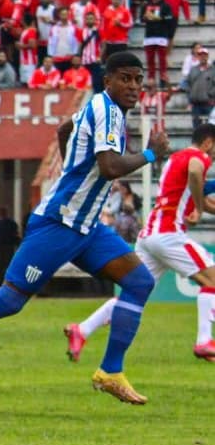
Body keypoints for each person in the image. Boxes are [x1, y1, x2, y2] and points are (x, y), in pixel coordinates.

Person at [0, 52, 172, 407]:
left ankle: (111, 371)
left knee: (139, 281)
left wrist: (71, 169)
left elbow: (65, 130)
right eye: (125, 78)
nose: (133, 86)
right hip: (59, 223)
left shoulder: (101, 108)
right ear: (107, 81)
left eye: (138, 79)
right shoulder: (107, 111)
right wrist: (151, 154)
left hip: (85, 227)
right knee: (9, 300)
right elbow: (110, 167)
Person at [65, 125, 215, 364]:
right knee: (212, 280)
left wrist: (200, 205)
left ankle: (81, 330)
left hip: (149, 236)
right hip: (168, 234)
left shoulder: (177, 159)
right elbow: (197, 173)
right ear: (208, 142)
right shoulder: (198, 157)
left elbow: (200, 195)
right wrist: (197, 207)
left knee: (134, 295)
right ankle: (204, 340)